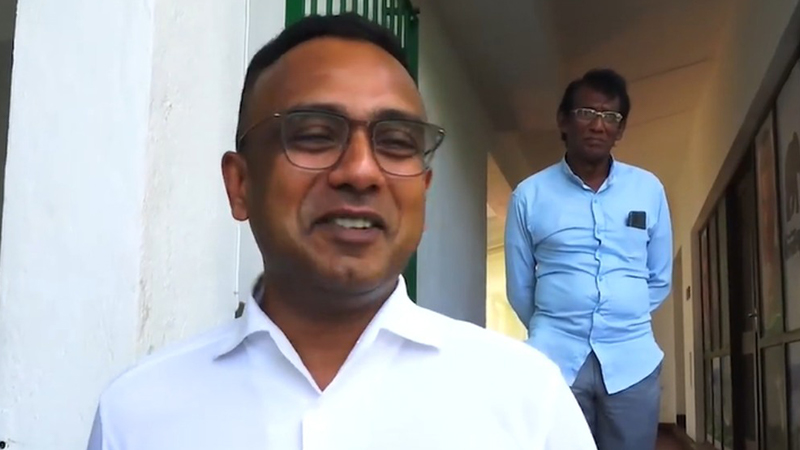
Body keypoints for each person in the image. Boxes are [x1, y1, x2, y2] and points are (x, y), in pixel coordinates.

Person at [86, 13, 596, 450]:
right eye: (314, 135)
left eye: (396, 142)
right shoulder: (138, 414)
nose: (361, 171)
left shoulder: (528, 401)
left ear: (423, 188)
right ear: (240, 185)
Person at [504, 68, 673, 450]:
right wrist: (558, 322)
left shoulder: (648, 189)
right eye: (586, 113)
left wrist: (622, 313)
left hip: (632, 359)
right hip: (555, 359)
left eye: (610, 116)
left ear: (620, 129)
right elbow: (520, 286)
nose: (598, 125)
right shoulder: (529, 195)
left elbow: (660, 276)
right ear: (563, 121)